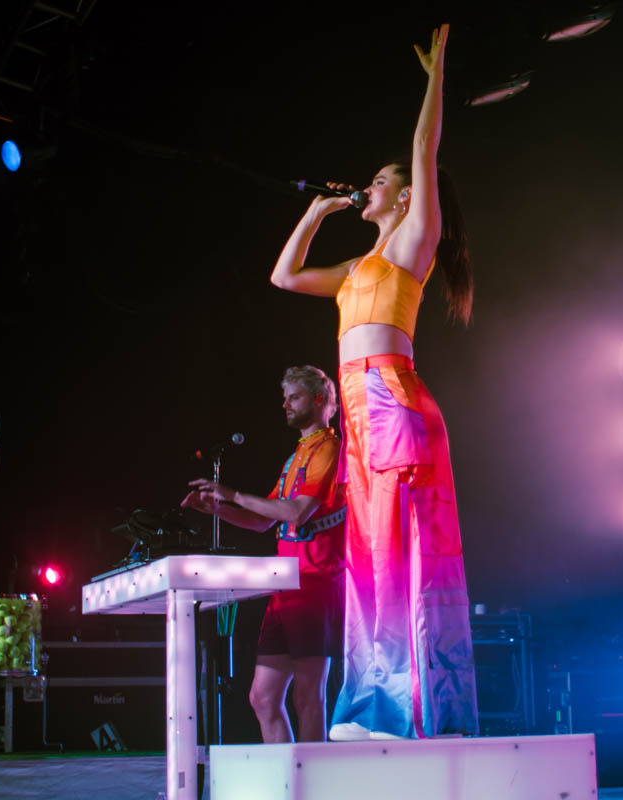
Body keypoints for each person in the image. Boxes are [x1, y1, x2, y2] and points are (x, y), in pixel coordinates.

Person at [268, 24, 478, 740]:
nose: (370, 185)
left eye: (380, 181)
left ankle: (408, 708)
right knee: (370, 559)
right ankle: (373, 703)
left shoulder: (413, 244)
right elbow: (284, 276)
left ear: (406, 196)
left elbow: (424, 146)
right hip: (360, 412)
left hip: (390, 396)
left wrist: (436, 76)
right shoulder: (356, 269)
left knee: (401, 554)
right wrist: (316, 212)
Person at [182, 365, 345, 743]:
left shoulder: (329, 449)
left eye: (294, 397)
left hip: (315, 583)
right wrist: (218, 509)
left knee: (308, 697)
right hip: (284, 586)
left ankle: (311, 774)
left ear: (319, 399)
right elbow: (263, 520)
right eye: (284, 398)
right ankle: (286, 772)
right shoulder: (297, 455)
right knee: (263, 697)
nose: (285, 405)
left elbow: (296, 513)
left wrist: (233, 495)